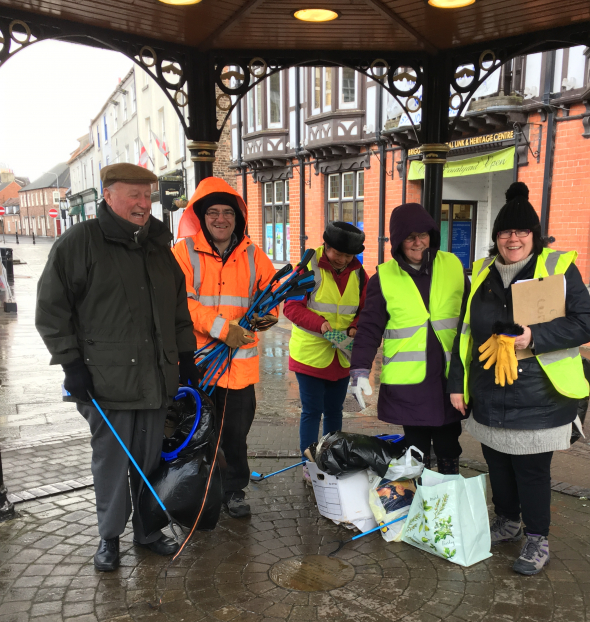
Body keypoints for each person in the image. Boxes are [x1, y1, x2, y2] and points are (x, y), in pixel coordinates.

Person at [35, 163, 198, 572]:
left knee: (148, 462)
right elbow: (52, 309)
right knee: (110, 463)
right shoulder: (81, 242)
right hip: (106, 382)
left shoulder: (160, 248)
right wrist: (71, 365)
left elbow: (179, 311)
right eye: (134, 195)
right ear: (108, 196)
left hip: (156, 380)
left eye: (148, 196)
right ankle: (109, 537)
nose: (144, 204)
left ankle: (146, 531)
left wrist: (186, 357)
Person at [448, 182, 590, 576]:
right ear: (495, 237)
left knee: (531, 470)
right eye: (505, 232)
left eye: (521, 232)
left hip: (538, 395)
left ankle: (537, 538)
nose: (512, 239)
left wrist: (535, 337)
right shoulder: (481, 272)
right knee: (496, 462)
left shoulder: (558, 269)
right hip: (488, 389)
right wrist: (456, 384)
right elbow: (465, 332)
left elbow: (586, 324)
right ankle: (508, 521)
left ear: (535, 236)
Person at [173, 177, 276, 518]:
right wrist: (221, 329)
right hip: (198, 366)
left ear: (238, 217)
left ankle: (233, 490)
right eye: (213, 212)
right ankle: (201, 489)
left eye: (228, 212)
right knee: (197, 432)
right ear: (201, 217)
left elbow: (270, 293)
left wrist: (267, 316)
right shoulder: (183, 252)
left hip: (239, 369)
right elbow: (179, 302)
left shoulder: (254, 255)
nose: (221, 219)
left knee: (234, 436)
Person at [350, 203, 467, 473]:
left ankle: (449, 501)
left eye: (423, 234)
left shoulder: (451, 265)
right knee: (416, 448)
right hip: (410, 381)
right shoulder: (384, 277)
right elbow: (369, 327)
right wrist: (359, 369)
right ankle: (419, 503)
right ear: (398, 241)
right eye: (410, 237)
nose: (418, 242)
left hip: (449, 375)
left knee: (450, 443)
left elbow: (470, 312)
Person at [284, 221, 367, 476]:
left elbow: (365, 309)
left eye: (348, 255)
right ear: (325, 246)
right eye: (336, 253)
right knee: (312, 411)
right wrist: (321, 325)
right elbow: (290, 307)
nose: (342, 259)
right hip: (311, 355)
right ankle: (309, 465)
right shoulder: (307, 268)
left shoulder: (360, 273)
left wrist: (355, 327)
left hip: (341, 356)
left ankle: (331, 460)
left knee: (334, 411)